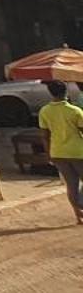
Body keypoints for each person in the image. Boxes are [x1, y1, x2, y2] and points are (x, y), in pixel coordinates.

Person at [38, 79, 83, 224]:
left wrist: (48, 154)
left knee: (71, 184)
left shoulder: (44, 111)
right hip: (78, 151)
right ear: (66, 92)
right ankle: (81, 203)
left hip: (57, 152)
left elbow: (45, 136)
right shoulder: (75, 111)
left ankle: (78, 214)